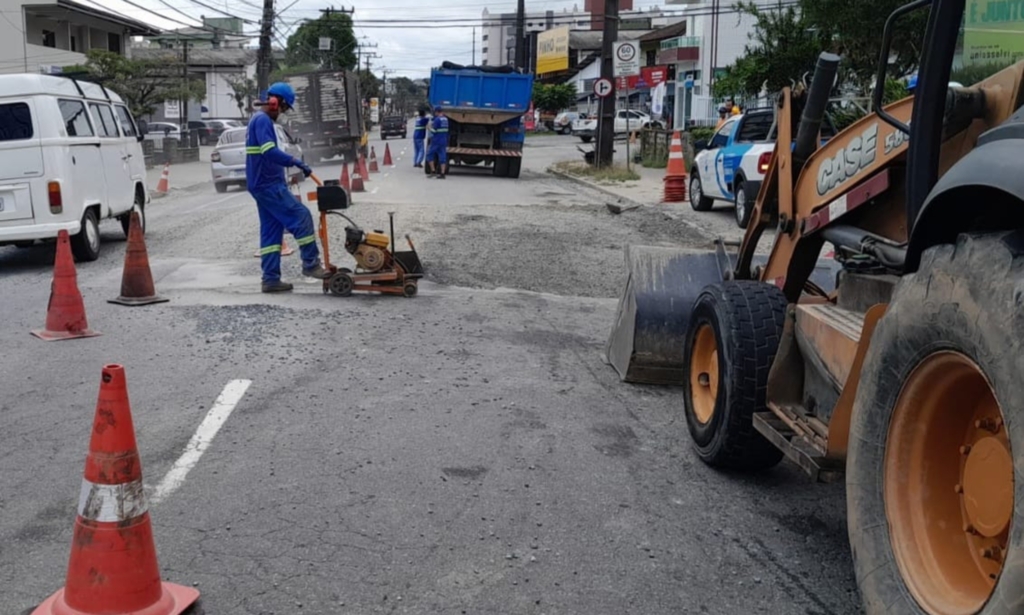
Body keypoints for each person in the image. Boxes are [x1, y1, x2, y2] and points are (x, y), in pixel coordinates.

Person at [246, 82, 330, 293]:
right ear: (276, 102)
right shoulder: (263, 120)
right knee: (301, 216)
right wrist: (294, 161)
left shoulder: (259, 119)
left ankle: (270, 279)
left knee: (271, 232)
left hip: (263, 183)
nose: (282, 113)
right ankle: (311, 264)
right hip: (267, 184)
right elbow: (269, 152)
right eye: (284, 108)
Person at [426, 105, 449, 179]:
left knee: (429, 154)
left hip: (436, 141)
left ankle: (433, 171)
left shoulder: (437, 120)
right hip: (443, 141)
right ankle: (442, 173)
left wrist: (429, 128)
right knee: (442, 157)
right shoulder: (445, 119)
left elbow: (434, 131)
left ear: (436, 112)